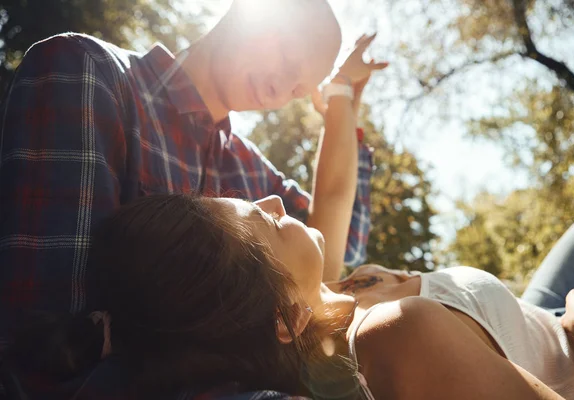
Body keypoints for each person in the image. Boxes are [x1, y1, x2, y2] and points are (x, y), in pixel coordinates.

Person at [0, 0, 388, 351]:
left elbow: (342, 244)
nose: (280, 88)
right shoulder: (89, 71)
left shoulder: (250, 169)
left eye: (299, 89)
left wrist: (342, 99)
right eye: (287, 58)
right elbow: (47, 340)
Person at [7, 194, 574, 400]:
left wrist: (342, 95)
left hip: (538, 316)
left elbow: (336, 195)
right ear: (282, 320)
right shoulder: (394, 335)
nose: (273, 202)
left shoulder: (328, 302)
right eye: (262, 223)